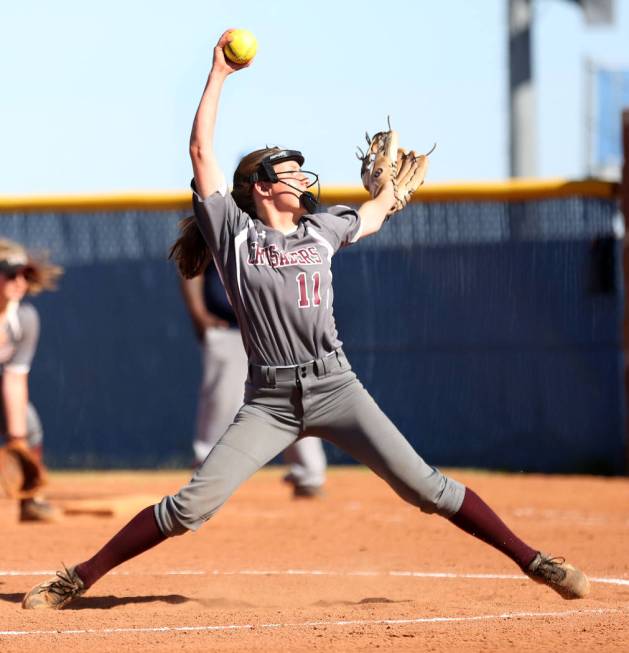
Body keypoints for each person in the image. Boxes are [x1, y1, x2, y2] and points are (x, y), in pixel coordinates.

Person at [22, 30, 589, 609]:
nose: (303, 178)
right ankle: (79, 578)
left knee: (428, 488)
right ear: (264, 188)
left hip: (337, 387)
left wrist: (389, 195)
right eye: (292, 172)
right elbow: (200, 152)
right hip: (269, 399)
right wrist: (218, 73)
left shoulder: (324, 228)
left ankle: (536, 561)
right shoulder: (234, 234)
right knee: (190, 507)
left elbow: (371, 214)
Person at [180, 260, 327, 496]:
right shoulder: (214, 223)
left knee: (294, 398)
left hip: (277, 327)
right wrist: (199, 314)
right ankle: (206, 480)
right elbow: (190, 267)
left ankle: (308, 474)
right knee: (222, 402)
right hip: (228, 327)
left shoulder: (278, 224)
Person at [0, 239, 63, 522]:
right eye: (11, 273)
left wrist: (17, 442)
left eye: (24, 274)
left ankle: (30, 499)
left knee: (29, 422)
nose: (19, 281)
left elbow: (14, 379)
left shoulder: (24, 319)